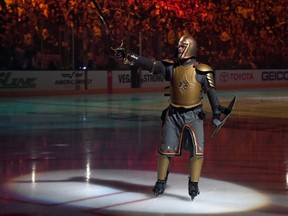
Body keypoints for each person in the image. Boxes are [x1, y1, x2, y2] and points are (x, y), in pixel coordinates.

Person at [113, 34, 231, 200]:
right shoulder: (171, 67)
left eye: (183, 46)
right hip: (173, 114)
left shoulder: (202, 70)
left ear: (190, 48)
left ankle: (194, 184)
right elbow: (150, 64)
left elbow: (211, 92)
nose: (179, 49)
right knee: (165, 150)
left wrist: (217, 112)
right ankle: (161, 181)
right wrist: (129, 56)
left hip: (194, 114)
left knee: (197, 152)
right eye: (179, 46)